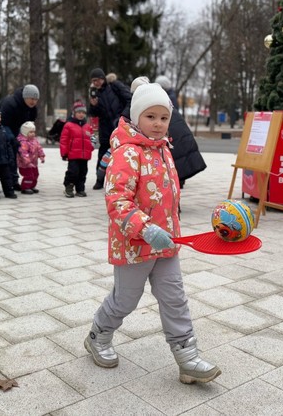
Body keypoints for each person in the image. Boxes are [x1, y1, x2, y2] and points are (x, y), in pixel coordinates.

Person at [84, 82, 221, 385]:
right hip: (134, 245)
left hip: (166, 244)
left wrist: (169, 230)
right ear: (136, 117)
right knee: (125, 300)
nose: (158, 124)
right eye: (151, 117)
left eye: (163, 118)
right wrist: (144, 228)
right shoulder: (127, 154)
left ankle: (188, 357)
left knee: (175, 298)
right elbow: (117, 201)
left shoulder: (163, 151)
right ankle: (98, 335)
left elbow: (168, 198)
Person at [154, 76, 207, 188]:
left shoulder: (166, 97)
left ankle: (179, 178)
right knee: (179, 153)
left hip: (173, 126)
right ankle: (179, 178)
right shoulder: (171, 95)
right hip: (176, 125)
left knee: (177, 153)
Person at [88, 68, 132, 190]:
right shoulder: (94, 92)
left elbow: (129, 99)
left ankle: (123, 179)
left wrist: (123, 116)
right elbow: (92, 113)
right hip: (105, 127)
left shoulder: (114, 86)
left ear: (103, 78)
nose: (96, 83)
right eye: (93, 81)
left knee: (122, 152)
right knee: (103, 153)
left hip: (120, 124)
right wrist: (93, 105)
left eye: (98, 80)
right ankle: (99, 179)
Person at [0, 84, 40, 190]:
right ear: (25, 97)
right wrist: (13, 139)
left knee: (24, 154)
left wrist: (29, 139)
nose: (33, 102)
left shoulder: (32, 109)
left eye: (36, 99)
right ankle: (12, 181)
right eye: (31, 98)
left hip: (19, 129)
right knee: (12, 153)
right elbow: (3, 123)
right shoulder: (10, 103)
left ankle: (25, 179)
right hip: (5, 126)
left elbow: (29, 125)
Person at [60, 100, 94, 198]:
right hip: (73, 155)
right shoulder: (68, 125)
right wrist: (64, 153)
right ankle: (69, 187)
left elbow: (92, 138)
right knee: (73, 171)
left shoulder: (87, 126)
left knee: (83, 172)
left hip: (85, 155)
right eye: (79, 112)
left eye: (83, 112)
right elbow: (64, 140)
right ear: (74, 113)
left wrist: (91, 146)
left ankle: (80, 189)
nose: (81, 114)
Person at [16, 121, 45, 195]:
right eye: (30, 132)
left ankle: (31, 186)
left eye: (33, 132)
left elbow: (39, 148)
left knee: (36, 174)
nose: (33, 134)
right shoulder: (23, 142)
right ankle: (25, 187)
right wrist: (28, 162)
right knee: (29, 175)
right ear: (25, 132)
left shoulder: (34, 140)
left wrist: (41, 156)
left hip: (34, 162)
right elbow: (23, 153)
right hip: (25, 164)